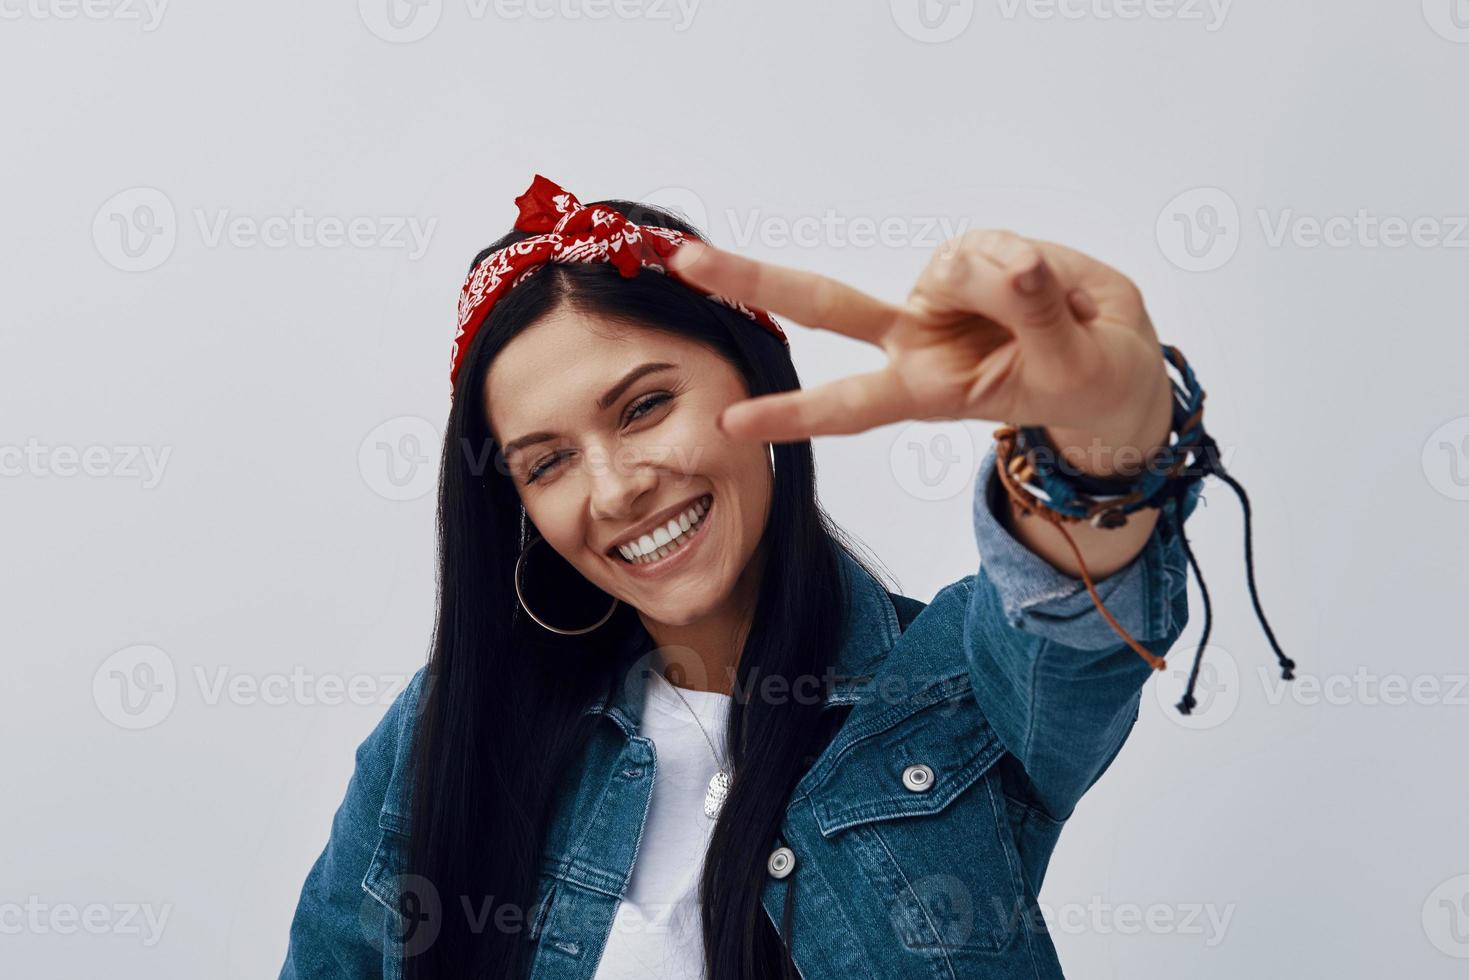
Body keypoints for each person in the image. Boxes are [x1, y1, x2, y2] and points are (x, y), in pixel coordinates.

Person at [279, 175, 1202, 979]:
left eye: (645, 406)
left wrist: (1096, 445)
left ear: (757, 380)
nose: (615, 490)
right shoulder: (442, 730)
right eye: (547, 463)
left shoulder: (949, 692)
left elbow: (1067, 621)